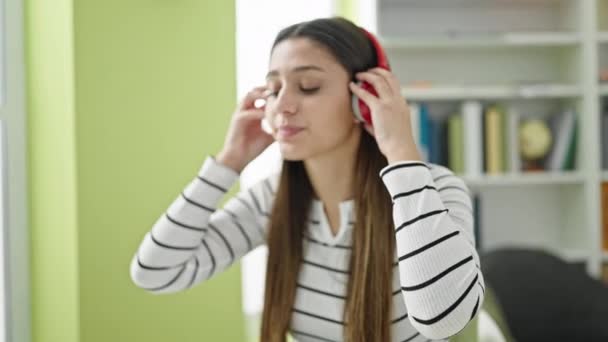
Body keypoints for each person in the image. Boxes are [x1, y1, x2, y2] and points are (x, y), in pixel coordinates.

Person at [130, 16, 485, 342]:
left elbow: (442, 319)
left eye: (308, 86)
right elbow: (155, 271)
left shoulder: (434, 189)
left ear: (365, 100)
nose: (282, 105)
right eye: (272, 89)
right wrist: (228, 163)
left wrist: (402, 154)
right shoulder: (272, 199)